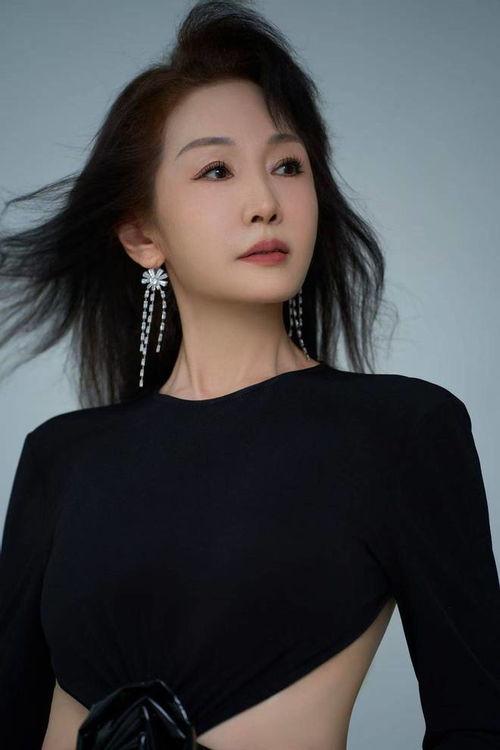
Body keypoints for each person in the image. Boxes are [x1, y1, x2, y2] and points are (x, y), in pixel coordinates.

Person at [1, 2, 499, 749]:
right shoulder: (61, 457)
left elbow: (479, 723)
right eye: (216, 170)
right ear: (141, 234)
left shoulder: (403, 433)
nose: (266, 203)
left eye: (288, 166)